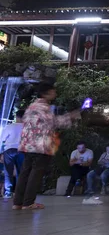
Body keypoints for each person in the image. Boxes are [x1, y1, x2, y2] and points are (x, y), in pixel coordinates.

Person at [13, 82, 80, 210]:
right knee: (36, 173)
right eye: (53, 91)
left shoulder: (31, 107)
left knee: (25, 172)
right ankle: (28, 203)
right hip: (40, 145)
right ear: (46, 93)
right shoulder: (43, 107)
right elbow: (54, 123)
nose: (55, 93)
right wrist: (71, 116)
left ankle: (18, 202)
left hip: (27, 145)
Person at [1, 109, 25, 199]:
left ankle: (8, 192)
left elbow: (2, 140)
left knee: (8, 171)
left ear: (16, 117)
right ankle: (20, 192)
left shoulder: (9, 126)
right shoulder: (27, 128)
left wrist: (1, 152)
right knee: (21, 171)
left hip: (9, 150)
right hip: (21, 150)